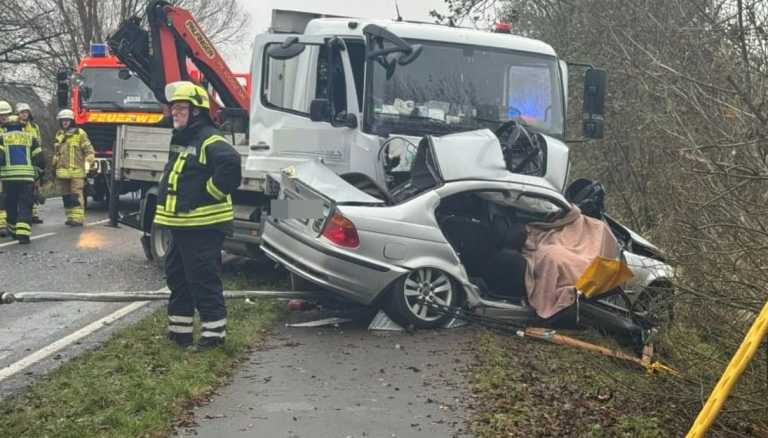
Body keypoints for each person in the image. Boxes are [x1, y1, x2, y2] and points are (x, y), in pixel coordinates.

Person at [155, 81, 241, 352]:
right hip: (183, 225)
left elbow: (231, 164)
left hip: (202, 225)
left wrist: (208, 194)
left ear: (196, 111)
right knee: (178, 279)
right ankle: (179, 334)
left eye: (181, 108)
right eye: (174, 107)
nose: (175, 112)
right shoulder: (184, 137)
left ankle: (213, 338)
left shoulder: (208, 138)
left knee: (203, 281)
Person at [0, 116, 45, 244]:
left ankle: (13, 230)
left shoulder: (2, 138)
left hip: (8, 178)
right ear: (21, 126)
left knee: (10, 204)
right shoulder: (30, 138)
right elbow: (40, 160)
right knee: (25, 205)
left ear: (7, 126)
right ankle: (23, 234)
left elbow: (0, 158)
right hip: (26, 178)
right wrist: (40, 174)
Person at [52, 109, 95, 226]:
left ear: (72, 121)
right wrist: (53, 166)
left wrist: (90, 162)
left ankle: (78, 219)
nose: (65, 122)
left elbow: (88, 150)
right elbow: (57, 153)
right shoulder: (59, 134)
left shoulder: (80, 133)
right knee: (66, 197)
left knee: (76, 196)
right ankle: (70, 217)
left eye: (67, 120)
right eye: (63, 120)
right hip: (62, 172)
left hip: (77, 172)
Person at [16, 103, 44, 224]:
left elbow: (39, 142)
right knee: (24, 188)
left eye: (26, 112)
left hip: (32, 159)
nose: (24, 115)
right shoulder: (15, 126)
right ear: (18, 114)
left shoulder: (34, 126)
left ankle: (35, 214)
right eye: (22, 112)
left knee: (35, 186)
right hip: (21, 159)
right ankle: (24, 212)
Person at [0, 100, 12, 238]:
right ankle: (2, 225)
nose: (3, 117)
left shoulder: (14, 130)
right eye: (1, 115)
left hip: (12, 170)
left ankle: (9, 223)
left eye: (5, 115)